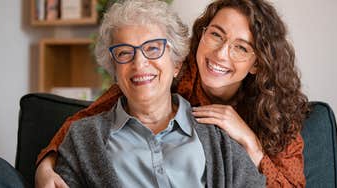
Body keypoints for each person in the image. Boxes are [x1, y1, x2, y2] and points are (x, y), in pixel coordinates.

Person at [36, 0, 309, 187]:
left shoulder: (274, 115)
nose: (220, 54)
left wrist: (251, 143)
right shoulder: (168, 71)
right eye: (216, 35)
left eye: (241, 47)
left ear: (257, 62)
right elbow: (85, 122)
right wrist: (46, 164)